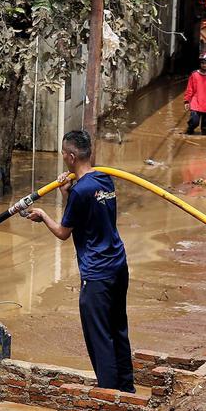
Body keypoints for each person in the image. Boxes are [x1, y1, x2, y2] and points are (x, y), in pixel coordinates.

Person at [23, 131, 135, 393]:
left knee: (99, 337)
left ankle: (110, 397)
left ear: (71, 157)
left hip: (96, 274)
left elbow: (63, 232)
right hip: (118, 265)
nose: (62, 157)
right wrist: (66, 193)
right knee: (118, 328)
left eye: (63, 153)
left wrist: (42, 215)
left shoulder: (82, 190)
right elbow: (88, 212)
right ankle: (127, 390)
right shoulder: (104, 179)